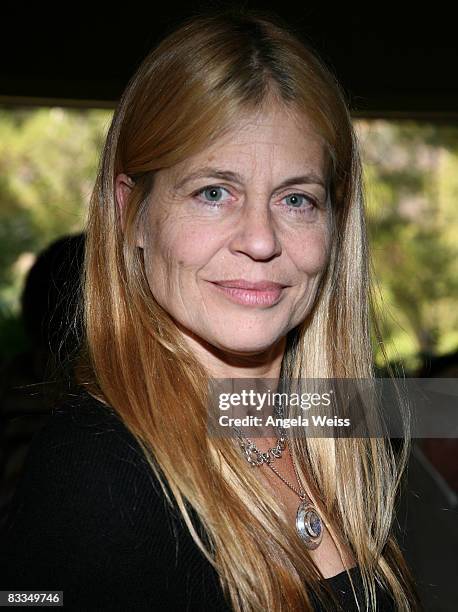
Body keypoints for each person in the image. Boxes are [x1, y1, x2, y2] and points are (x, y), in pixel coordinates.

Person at [0, 8, 420, 611]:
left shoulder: (344, 438)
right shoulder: (100, 472)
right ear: (131, 214)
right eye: (213, 192)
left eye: (297, 199)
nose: (260, 239)